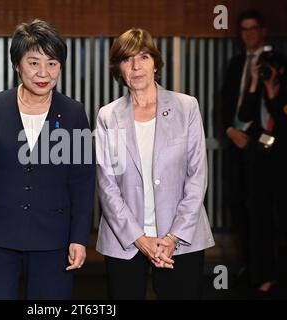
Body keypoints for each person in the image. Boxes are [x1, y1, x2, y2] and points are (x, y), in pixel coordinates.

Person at [0, 19, 96, 300]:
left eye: (52, 63)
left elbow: (82, 183)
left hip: (54, 238)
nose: (44, 73)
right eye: (34, 62)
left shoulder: (74, 113)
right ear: (17, 65)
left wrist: (79, 237)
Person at [95, 28, 215, 300]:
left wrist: (172, 237)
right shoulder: (108, 116)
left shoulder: (187, 107)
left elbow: (197, 178)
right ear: (119, 68)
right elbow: (107, 186)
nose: (136, 66)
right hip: (125, 240)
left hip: (182, 238)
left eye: (144, 57)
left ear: (155, 63)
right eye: (127, 59)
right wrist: (140, 238)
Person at [221, 10, 287, 293]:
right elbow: (232, 106)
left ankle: (279, 270)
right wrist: (230, 129)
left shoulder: (279, 61)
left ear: (263, 31)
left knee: (281, 214)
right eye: (244, 30)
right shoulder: (236, 64)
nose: (249, 34)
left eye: (254, 29)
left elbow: (286, 115)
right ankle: (254, 269)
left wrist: (270, 83)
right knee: (245, 209)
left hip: (278, 152)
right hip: (244, 148)